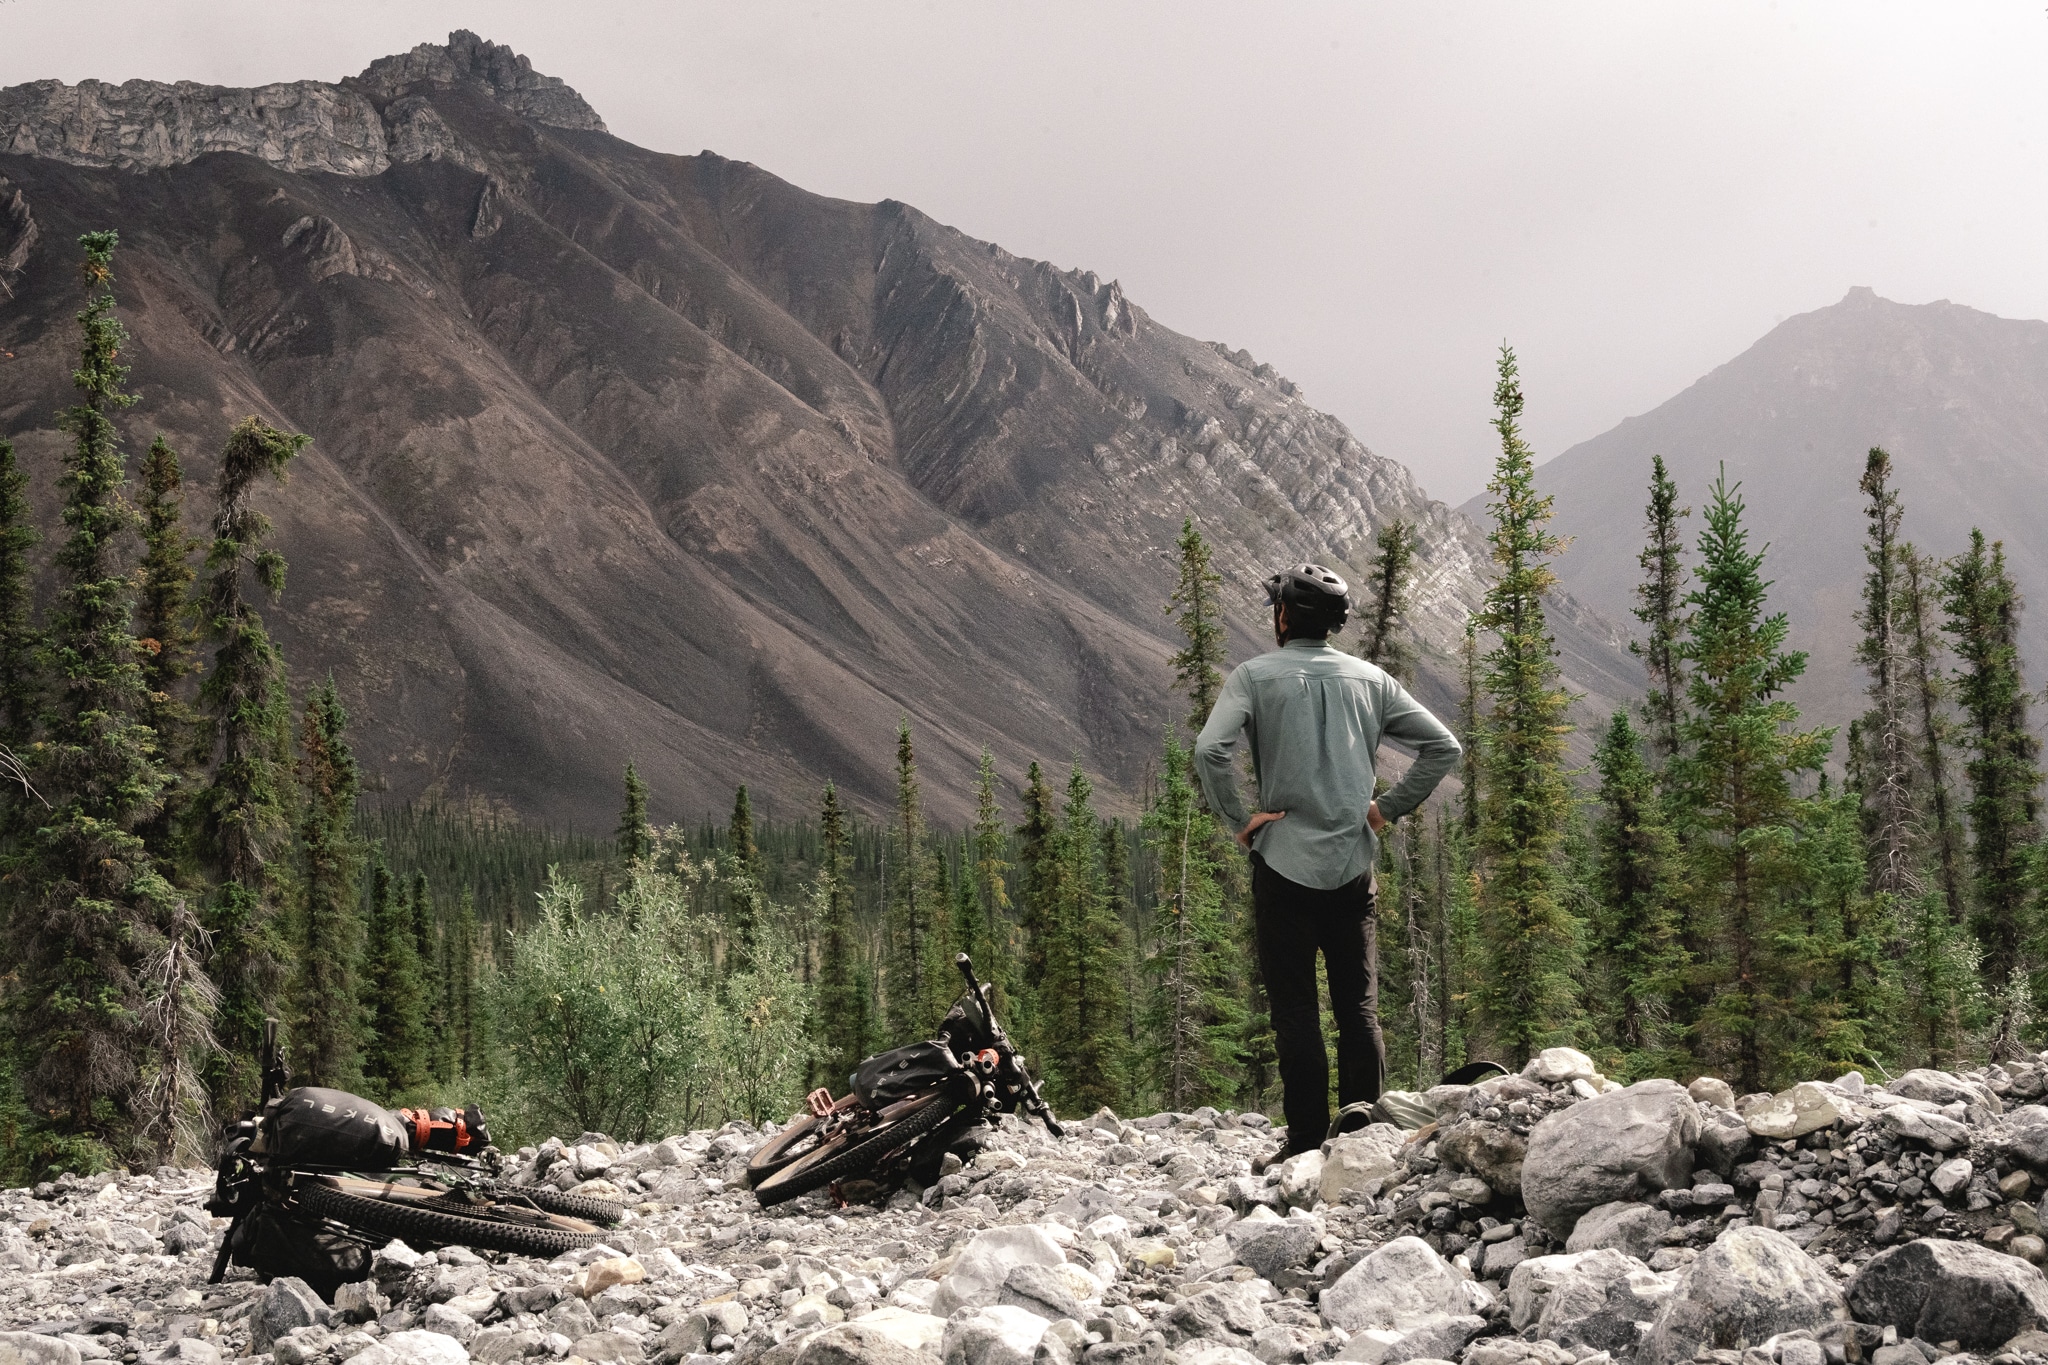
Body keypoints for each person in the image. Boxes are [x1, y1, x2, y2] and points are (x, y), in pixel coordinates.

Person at [1194, 562, 1462, 1165]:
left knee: (1295, 1012)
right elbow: (1444, 746)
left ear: (1284, 616)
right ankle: (1364, 1139)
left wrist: (1240, 818)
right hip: (1351, 867)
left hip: (1283, 865)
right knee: (1357, 1007)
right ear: (1336, 623)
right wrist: (1384, 809)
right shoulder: (1371, 680)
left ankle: (1307, 1143)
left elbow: (1211, 749)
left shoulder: (1254, 676)